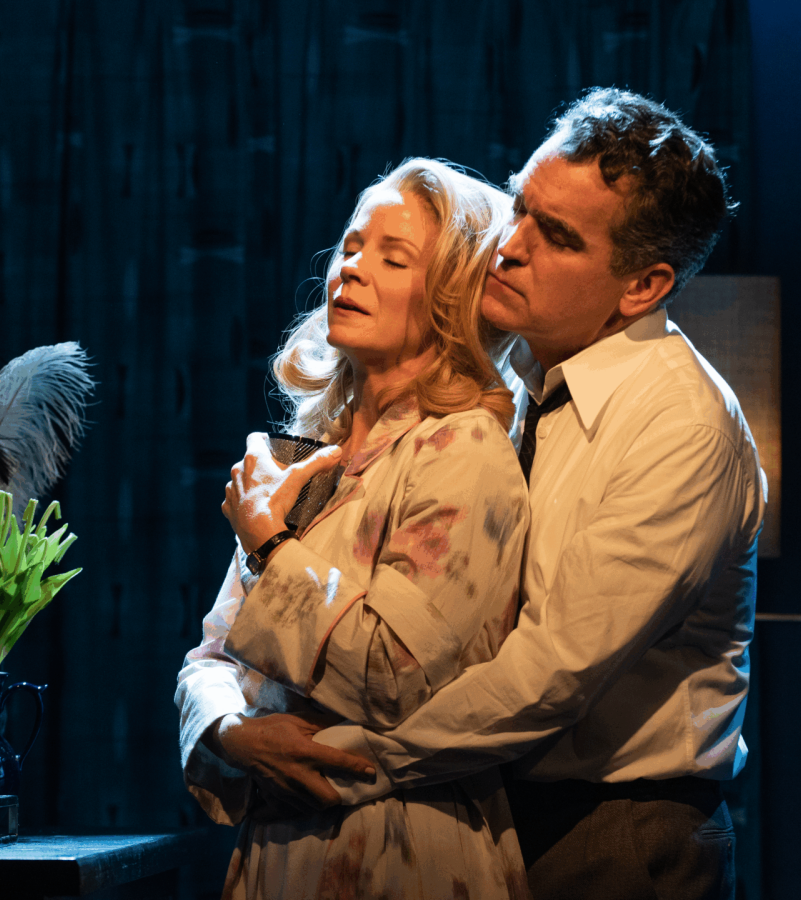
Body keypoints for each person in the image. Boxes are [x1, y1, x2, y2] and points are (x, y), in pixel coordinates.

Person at [225, 88, 766, 900]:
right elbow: (225, 635)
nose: (509, 246)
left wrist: (336, 761)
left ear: (643, 286)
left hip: (614, 832)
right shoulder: (499, 376)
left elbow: (548, 676)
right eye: (521, 205)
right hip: (480, 802)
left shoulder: (682, 428)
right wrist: (228, 730)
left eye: (557, 237)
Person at [176, 158, 535, 899]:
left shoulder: (464, 448)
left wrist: (270, 544)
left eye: (392, 257)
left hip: (399, 852)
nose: (352, 268)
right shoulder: (306, 460)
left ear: (449, 295)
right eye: (350, 246)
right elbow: (211, 656)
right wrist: (228, 733)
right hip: (279, 854)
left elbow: (396, 678)